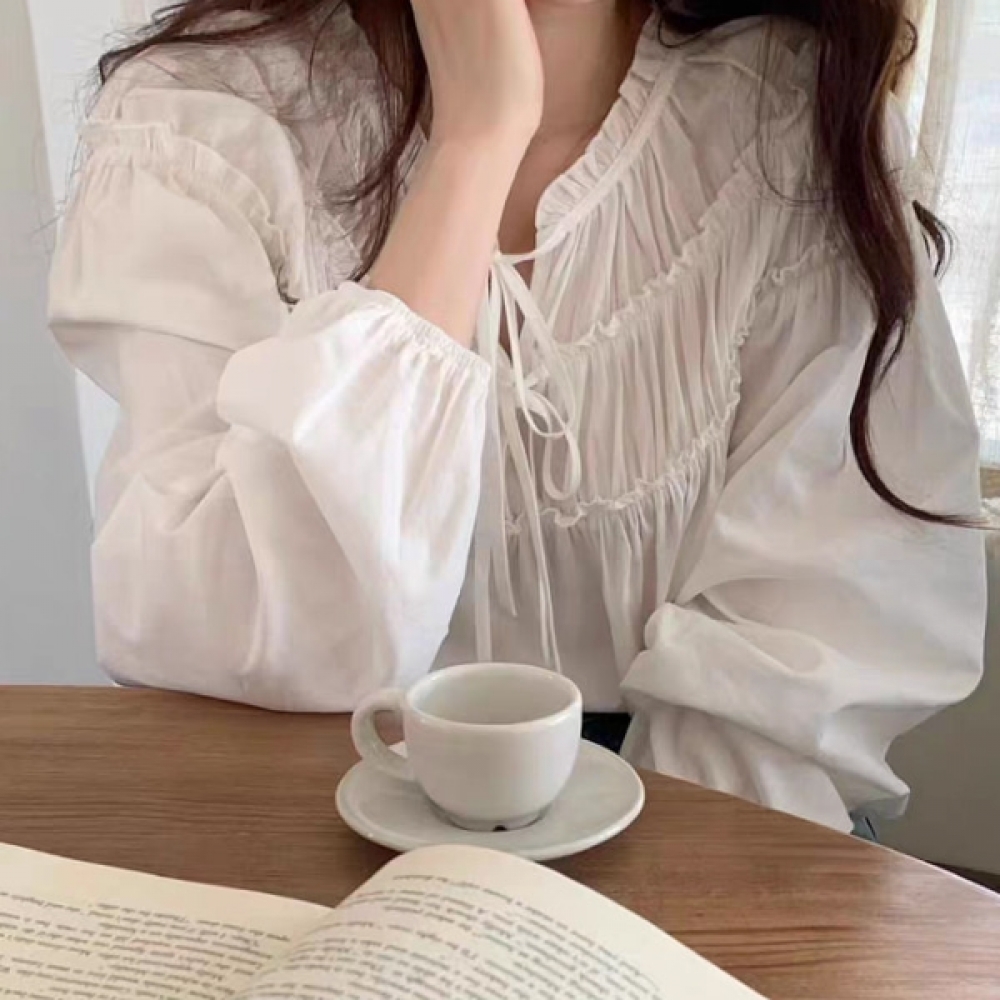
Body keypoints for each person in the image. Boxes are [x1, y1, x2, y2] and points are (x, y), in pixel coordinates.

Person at [50, 0, 986, 834]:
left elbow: (815, 645)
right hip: (317, 821)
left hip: (702, 831)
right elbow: (243, 635)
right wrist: (478, 140)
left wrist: (617, 916)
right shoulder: (202, 121)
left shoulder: (786, 118)